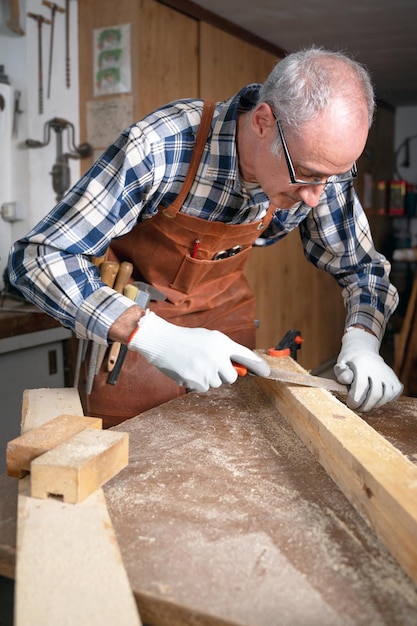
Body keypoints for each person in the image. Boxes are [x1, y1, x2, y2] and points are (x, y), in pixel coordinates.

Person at [8, 47, 403, 425]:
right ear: (263, 122)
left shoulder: (317, 165)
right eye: (307, 174)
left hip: (224, 328)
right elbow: (37, 260)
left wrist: (363, 340)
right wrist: (152, 335)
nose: (316, 195)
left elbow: (362, 268)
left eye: (332, 177)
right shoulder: (161, 145)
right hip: (130, 336)